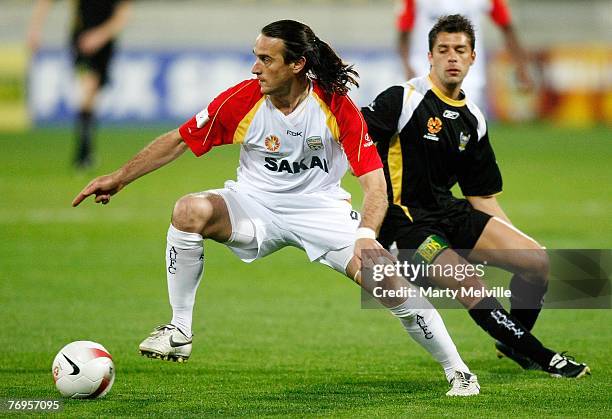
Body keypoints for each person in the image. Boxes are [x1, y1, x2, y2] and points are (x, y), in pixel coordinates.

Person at [72, 20, 481, 396]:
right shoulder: (243, 99)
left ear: (297, 64)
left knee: (392, 288)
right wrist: (120, 177)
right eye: (255, 56)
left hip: (321, 211)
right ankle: (179, 328)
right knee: (187, 210)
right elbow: (180, 139)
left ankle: (458, 371)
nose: (255, 68)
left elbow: (375, 185)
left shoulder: (336, 107)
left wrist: (365, 236)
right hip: (254, 205)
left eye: (266, 59)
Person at [362, 14, 590, 378]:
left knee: (536, 262)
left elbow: (481, 196)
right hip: (405, 225)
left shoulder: (474, 119)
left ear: (472, 58)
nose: (452, 57)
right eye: (444, 50)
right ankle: (545, 358)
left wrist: (519, 244)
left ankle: (513, 339)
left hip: (449, 212)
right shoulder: (402, 100)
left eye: (460, 50)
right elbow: (355, 142)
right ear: (430, 56)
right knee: (469, 282)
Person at [28, 0, 132, 169]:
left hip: (106, 45)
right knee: (88, 88)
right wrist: (35, 30)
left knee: (93, 95)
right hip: (81, 41)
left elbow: (122, 16)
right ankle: (83, 153)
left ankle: (86, 152)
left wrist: (99, 36)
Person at [396, 0, 532, 110]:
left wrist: (522, 67)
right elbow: (403, 32)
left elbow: (507, 27)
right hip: (425, 71)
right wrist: (407, 66)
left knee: (463, 135)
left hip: (468, 77)